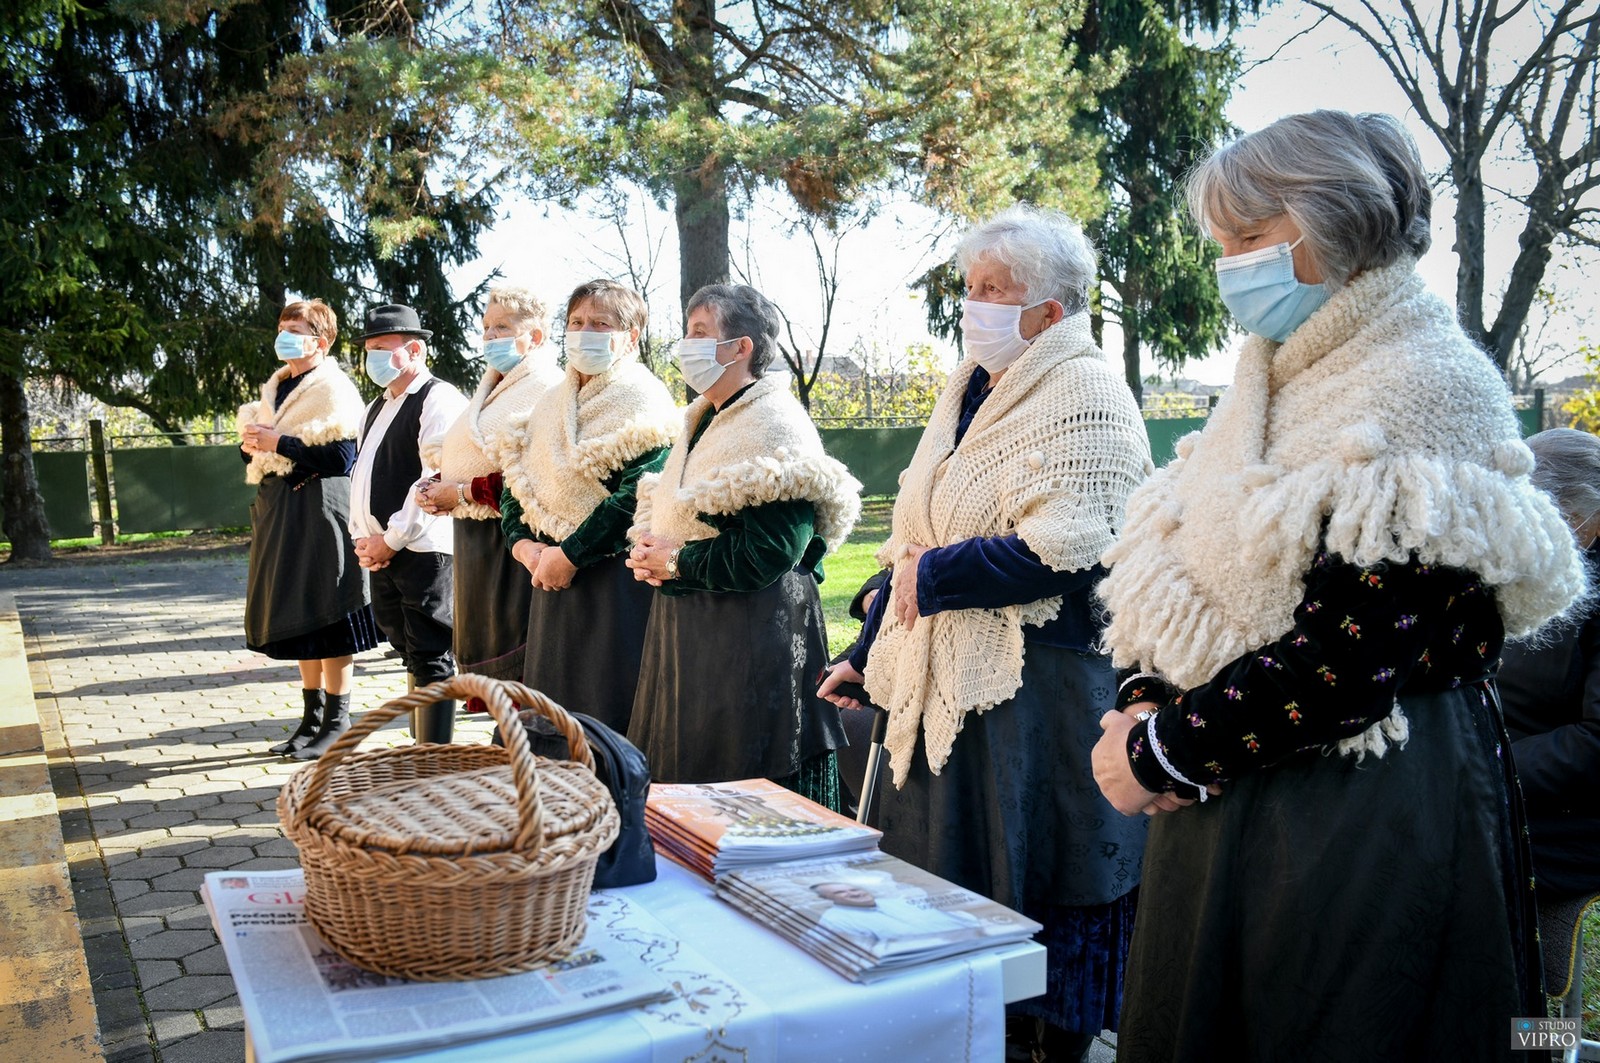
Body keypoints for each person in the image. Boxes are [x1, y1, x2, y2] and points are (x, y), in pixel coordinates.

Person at [1091, 111, 1586, 1062]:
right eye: (1221, 241)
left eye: (1247, 237)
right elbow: (1189, 567)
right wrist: (1145, 698)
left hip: (1362, 810)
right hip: (1225, 782)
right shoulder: (1266, 382)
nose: (1227, 263)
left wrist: (1158, 752)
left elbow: (1352, 659)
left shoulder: (1422, 382)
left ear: (1331, 223)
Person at [819, 206, 1153, 1062]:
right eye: (970, 288)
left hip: (1038, 694)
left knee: (1043, 881)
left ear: (1050, 309)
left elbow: (1072, 543)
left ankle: (1048, 1043)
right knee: (946, 874)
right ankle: (961, 1030)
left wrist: (932, 577)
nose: (974, 306)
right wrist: (864, 656)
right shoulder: (966, 384)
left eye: (993, 289)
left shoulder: (1090, 392)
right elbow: (911, 527)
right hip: (940, 680)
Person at [627, 283, 859, 809]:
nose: (687, 344)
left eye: (701, 333)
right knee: (689, 781)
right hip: (691, 633)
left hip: (752, 641)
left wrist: (678, 559)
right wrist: (649, 547)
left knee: (750, 796)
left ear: (741, 348)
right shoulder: (702, 418)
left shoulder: (773, 424)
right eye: (688, 331)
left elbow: (774, 551)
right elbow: (678, 511)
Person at [500, 279, 678, 732]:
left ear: (631, 336)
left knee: (607, 710)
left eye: (601, 323)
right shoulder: (549, 404)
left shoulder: (645, 399)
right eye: (577, 322)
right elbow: (517, 480)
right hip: (548, 577)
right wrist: (524, 546)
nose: (585, 332)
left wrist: (570, 554)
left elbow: (635, 494)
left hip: (613, 584)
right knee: (552, 710)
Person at [238, 299, 378, 759]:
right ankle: (312, 718)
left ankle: (338, 722)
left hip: (321, 511)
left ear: (320, 340)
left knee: (328, 611)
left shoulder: (334, 387)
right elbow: (264, 453)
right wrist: (253, 445)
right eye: (282, 325)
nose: (284, 333)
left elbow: (342, 457)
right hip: (282, 511)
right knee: (300, 614)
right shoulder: (277, 386)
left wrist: (281, 442)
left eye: (294, 327)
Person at [415, 286, 561, 694]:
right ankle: (505, 737)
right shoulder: (494, 386)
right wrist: (439, 483)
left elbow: (538, 474)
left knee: (519, 668)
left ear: (534, 336)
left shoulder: (546, 387)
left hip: (512, 543)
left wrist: (462, 492)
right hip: (475, 541)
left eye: (503, 327)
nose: (490, 336)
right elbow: (469, 451)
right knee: (489, 669)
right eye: (486, 328)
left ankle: (522, 740)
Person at [350, 303, 468, 744]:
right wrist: (363, 536)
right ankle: (421, 747)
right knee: (408, 649)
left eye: (383, 347)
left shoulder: (438, 397)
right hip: (383, 550)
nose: (373, 357)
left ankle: (433, 755)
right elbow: (362, 472)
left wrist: (392, 538)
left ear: (414, 349)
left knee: (430, 650)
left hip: (422, 549)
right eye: (370, 348)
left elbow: (433, 477)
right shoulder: (375, 407)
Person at [1499, 428, 1600, 899]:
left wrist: (1487, 766)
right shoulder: (1517, 560)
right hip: (1489, 769)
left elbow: (1594, 743)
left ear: (1583, 517)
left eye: (1542, 514)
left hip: (1562, 811)